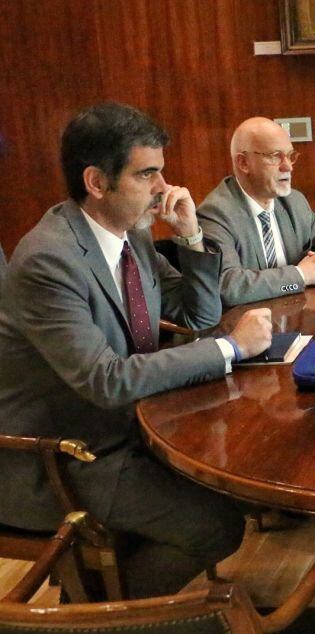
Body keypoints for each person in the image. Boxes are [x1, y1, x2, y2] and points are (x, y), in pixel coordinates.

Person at [0, 103, 274, 598]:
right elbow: (106, 381)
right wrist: (231, 349)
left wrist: (190, 237)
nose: (164, 188)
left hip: (129, 430)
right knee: (216, 525)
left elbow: (195, 316)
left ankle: (93, 595)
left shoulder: (132, 236)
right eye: (147, 174)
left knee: (243, 485)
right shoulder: (48, 260)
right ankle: (91, 616)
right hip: (66, 456)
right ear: (97, 182)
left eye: (161, 172)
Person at [197, 117, 315, 307]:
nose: (288, 166)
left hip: (298, 315)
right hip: (244, 326)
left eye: (290, 156)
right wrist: (301, 275)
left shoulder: (293, 201)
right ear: (243, 163)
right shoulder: (216, 213)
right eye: (275, 156)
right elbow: (228, 286)